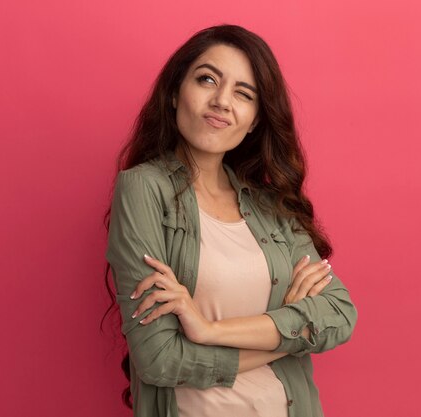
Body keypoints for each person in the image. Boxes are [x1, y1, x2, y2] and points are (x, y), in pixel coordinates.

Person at [105, 24, 357, 417]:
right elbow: (159, 358)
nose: (222, 101)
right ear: (174, 92)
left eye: (244, 93)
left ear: (255, 119)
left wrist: (208, 331)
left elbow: (339, 314)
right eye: (207, 79)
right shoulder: (143, 189)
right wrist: (291, 333)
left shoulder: (270, 206)